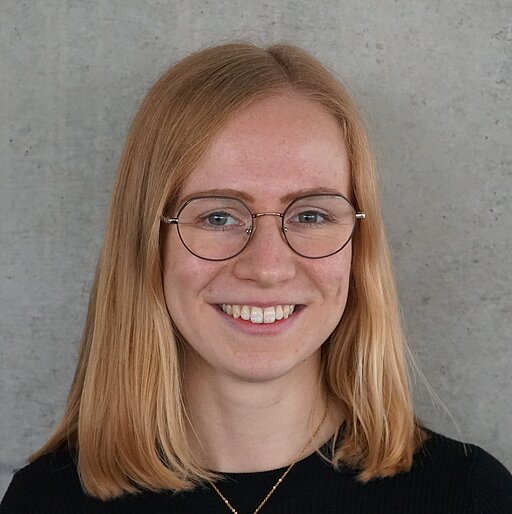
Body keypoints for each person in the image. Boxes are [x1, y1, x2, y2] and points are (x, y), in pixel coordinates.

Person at [1, 42, 511, 514]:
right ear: (147, 242)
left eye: (311, 215)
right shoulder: (43, 502)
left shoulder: (468, 496)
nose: (268, 267)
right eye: (218, 216)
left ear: (360, 246)